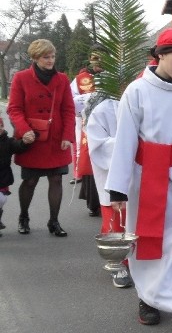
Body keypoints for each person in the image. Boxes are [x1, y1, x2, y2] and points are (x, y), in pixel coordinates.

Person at [104, 28, 172, 331]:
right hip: (146, 177)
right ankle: (149, 299)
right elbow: (126, 141)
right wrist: (117, 188)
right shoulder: (137, 91)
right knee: (149, 241)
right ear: (160, 55)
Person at [7, 39, 75, 237]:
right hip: (32, 138)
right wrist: (23, 129)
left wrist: (67, 135)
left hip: (56, 140)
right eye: (46, 57)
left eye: (53, 56)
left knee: (56, 180)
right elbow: (14, 108)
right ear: (35, 58)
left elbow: (68, 109)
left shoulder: (62, 79)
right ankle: (24, 216)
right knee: (30, 181)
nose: (51, 60)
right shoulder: (21, 78)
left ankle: (54, 222)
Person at [85, 96, 134, 288]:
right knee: (116, 218)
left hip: (141, 172)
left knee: (140, 219)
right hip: (111, 172)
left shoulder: (146, 102)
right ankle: (118, 263)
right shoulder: (103, 110)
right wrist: (126, 145)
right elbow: (97, 145)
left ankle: (139, 261)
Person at [71, 43, 104, 217]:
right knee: (90, 157)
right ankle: (93, 202)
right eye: (94, 58)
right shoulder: (81, 79)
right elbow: (72, 99)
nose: (97, 62)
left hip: (110, 123)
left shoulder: (116, 76)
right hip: (88, 122)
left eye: (101, 58)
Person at [0, 118, 35, 236]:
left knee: (1, 199)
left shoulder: (7, 141)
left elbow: (17, 146)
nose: (0, 129)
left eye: (1, 126)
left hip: (2, 177)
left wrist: (25, 142)